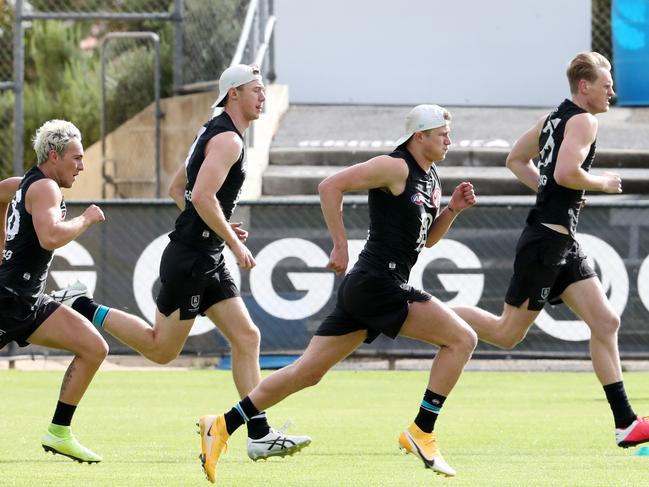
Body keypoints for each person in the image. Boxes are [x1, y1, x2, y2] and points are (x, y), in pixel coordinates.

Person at [196, 104, 478, 483]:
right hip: (379, 283)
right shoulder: (395, 166)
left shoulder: (433, 178)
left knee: (306, 373)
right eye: (442, 133)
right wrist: (340, 244)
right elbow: (330, 185)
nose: (449, 139)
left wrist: (453, 211)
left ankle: (222, 425)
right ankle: (422, 430)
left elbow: (426, 241)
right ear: (420, 135)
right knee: (462, 339)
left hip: (369, 287)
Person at [51, 64, 312, 469]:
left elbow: (181, 190)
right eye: (256, 90)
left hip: (204, 255)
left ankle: (258, 434)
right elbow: (203, 196)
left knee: (247, 337)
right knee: (161, 349)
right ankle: (82, 305)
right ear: (233, 94)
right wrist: (226, 236)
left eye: (263, 91)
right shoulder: (227, 140)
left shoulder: (213, 131)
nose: (262, 97)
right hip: (192, 260)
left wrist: (215, 225)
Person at [453, 51, 649, 448]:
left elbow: (516, 159)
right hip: (545, 241)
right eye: (606, 84)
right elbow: (563, 172)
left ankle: (625, 423)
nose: (613, 90)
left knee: (606, 322)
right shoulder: (584, 119)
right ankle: (424, 312)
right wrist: (600, 183)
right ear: (584, 86)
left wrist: (563, 195)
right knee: (507, 334)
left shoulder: (555, 116)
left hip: (561, 239)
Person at [0, 120, 108, 463]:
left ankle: (59, 432)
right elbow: (50, 237)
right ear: (53, 156)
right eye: (76, 158)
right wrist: (86, 219)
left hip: (28, 301)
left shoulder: (23, 184)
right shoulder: (46, 188)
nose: (81, 165)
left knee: (94, 347)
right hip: (6, 300)